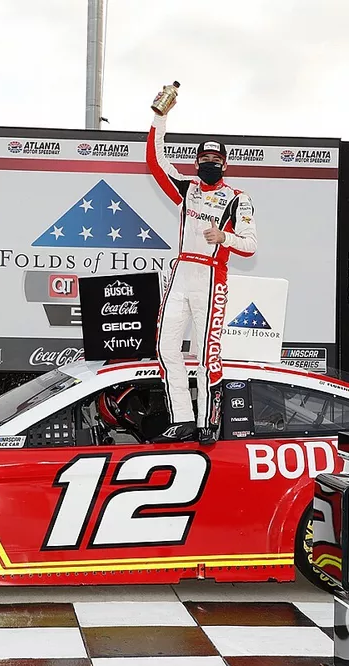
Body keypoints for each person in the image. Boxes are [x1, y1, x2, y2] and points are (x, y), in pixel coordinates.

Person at [145, 105, 257, 445]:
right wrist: (159, 117)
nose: (210, 163)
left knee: (208, 353)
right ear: (196, 163)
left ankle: (209, 422)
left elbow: (250, 245)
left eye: (216, 159)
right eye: (205, 158)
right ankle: (183, 418)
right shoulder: (186, 188)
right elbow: (154, 160)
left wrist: (225, 237)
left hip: (211, 275)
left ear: (225, 164)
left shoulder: (238, 198)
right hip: (181, 270)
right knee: (166, 347)